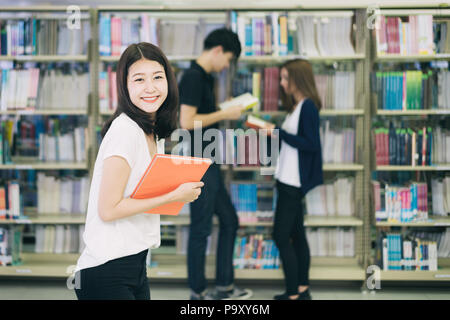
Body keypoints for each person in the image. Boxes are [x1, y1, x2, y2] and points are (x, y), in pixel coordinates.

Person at [74, 42, 204, 300]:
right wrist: (173, 196)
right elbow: (108, 209)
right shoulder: (125, 131)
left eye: (157, 77)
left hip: (134, 264)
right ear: (124, 86)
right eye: (139, 79)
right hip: (106, 269)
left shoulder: (150, 131)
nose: (150, 88)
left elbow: (138, 195)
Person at [178, 28, 253, 300]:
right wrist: (224, 113)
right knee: (201, 227)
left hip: (209, 160)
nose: (226, 67)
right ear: (218, 50)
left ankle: (224, 286)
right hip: (198, 163)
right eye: (228, 59)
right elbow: (186, 122)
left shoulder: (204, 78)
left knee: (230, 221)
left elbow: (200, 114)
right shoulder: (193, 77)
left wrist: (224, 108)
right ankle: (197, 292)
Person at [271, 59, 324, 300]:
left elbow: (311, 144)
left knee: (281, 236)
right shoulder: (298, 106)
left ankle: (293, 293)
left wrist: (279, 133)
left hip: (293, 183)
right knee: (298, 235)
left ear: (297, 79)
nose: (281, 83)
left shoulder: (308, 107)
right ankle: (302, 289)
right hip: (287, 179)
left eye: (285, 78)